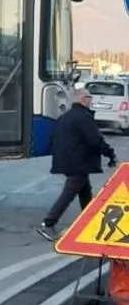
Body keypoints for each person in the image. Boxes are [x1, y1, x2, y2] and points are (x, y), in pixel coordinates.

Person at [37, 88, 117, 240]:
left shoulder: (64, 117)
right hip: (78, 161)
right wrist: (109, 153)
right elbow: (95, 139)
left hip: (68, 160)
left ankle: (91, 223)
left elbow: (52, 139)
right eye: (89, 97)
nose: (91, 100)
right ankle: (48, 224)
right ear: (81, 99)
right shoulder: (83, 117)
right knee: (70, 192)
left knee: (85, 191)